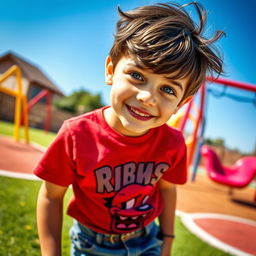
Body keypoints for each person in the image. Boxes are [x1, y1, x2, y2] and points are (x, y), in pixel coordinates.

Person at [34, 2, 224, 256]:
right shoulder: (76, 135)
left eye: (168, 89)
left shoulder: (173, 144)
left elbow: (168, 189)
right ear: (111, 71)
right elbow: (50, 197)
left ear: (181, 103)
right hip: (91, 243)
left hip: (147, 241)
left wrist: (167, 241)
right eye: (137, 75)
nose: (147, 97)